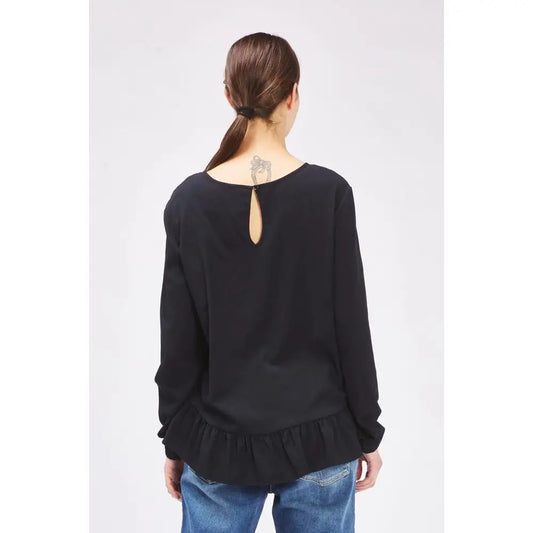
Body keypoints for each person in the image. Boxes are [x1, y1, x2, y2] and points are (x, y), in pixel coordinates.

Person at [154, 32, 385, 533]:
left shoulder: (188, 202)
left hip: (217, 444)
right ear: (293, 94)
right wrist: (367, 429)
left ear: (228, 94)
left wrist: (175, 438)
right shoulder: (329, 194)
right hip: (320, 438)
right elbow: (351, 324)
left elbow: (178, 340)